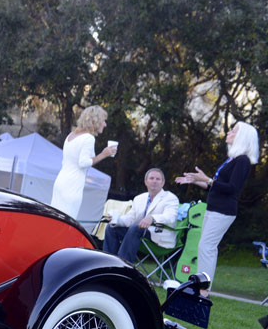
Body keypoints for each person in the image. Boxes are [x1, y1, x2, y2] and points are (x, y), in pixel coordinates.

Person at [176, 121, 259, 290]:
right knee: (204, 247)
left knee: (206, 247)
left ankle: (203, 290)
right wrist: (197, 181)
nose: (229, 132)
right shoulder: (232, 159)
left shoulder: (242, 161)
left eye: (233, 131)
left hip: (223, 210)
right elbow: (215, 186)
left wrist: (206, 179)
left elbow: (232, 189)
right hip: (214, 208)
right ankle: (200, 286)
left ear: (242, 137)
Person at [50, 106, 117, 219]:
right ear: (96, 121)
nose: (105, 124)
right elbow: (83, 163)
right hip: (72, 185)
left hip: (60, 182)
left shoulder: (71, 136)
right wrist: (104, 154)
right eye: (103, 121)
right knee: (67, 221)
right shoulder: (88, 138)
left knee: (56, 219)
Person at [103, 168, 180, 264]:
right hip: (138, 233)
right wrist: (116, 220)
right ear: (145, 182)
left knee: (135, 228)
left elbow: (170, 217)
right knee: (111, 228)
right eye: (151, 178)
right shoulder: (139, 198)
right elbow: (130, 219)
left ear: (163, 183)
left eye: (158, 179)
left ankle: (122, 266)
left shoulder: (170, 198)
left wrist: (152, 218)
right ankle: (107, 264)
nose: (154, 181)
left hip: (159, 234)